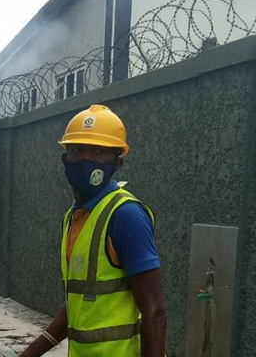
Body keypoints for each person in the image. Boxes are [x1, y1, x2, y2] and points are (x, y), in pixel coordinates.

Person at [20, 104, 167, 357]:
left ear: (117, 162)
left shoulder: (125, 215)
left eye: (98, 151)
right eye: (77, 150)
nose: (85, 160)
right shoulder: (75, 216)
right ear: (65, 158)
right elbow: (79, 305)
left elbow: (154, 312)